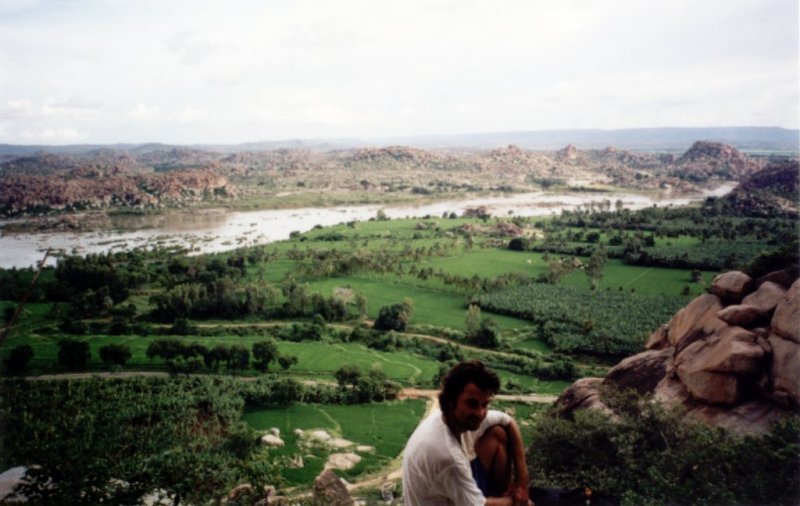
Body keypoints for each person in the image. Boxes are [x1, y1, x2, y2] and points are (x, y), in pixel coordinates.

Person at [402, 360, 533, 506]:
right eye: (472, 404)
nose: (480, 413)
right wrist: (518, 501)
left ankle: (501, 494)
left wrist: (522, 480)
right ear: (451, 400)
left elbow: (508, 421)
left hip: (455, 485)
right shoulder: (447, 457)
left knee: (497, 433)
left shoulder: (450, 418)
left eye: (485, 404)